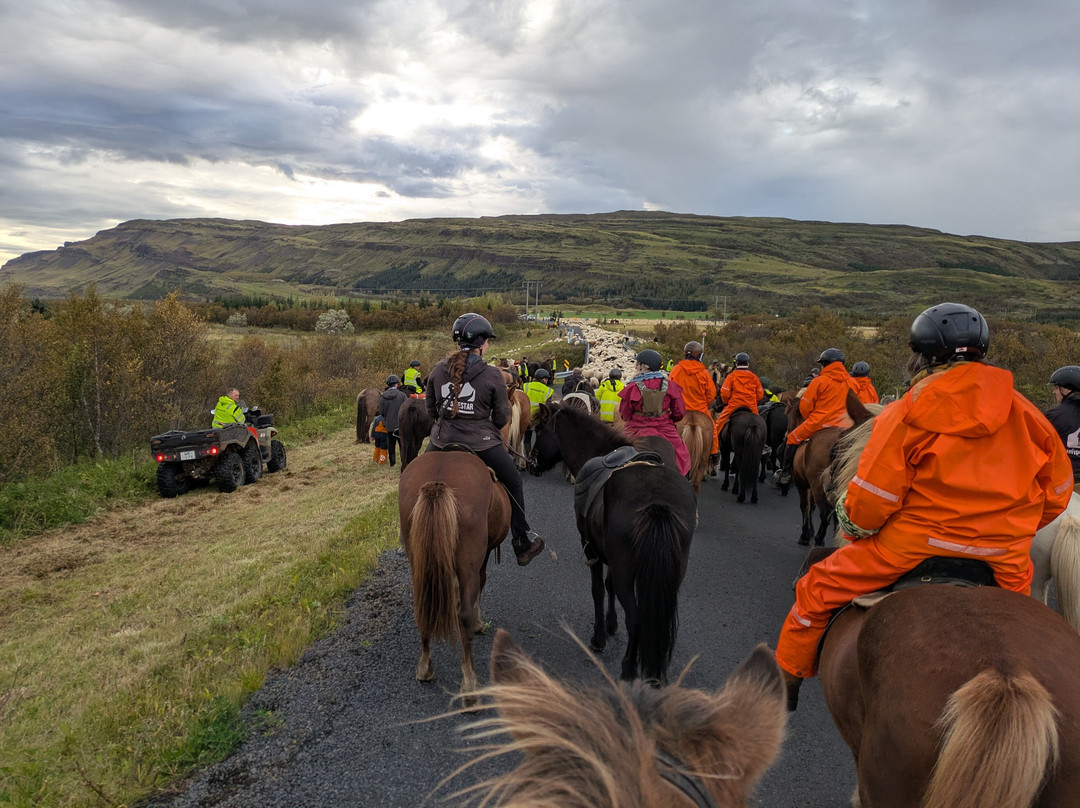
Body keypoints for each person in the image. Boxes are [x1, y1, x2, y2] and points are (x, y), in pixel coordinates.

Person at [776, 302, 1073, 710]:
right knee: (1026, 622)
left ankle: (787, 680)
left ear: (923, 355)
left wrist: (853, 522)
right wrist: (1008, 528)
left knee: (816, 588)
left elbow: (872, 502)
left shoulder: (906, 412)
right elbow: (1058, 492)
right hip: (1004, 557)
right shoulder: (1029, 415)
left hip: (911, 547)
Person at [425, 313, 545, 566]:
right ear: (481, 344)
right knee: (513, 480)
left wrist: (449, 423)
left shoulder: (438, 369)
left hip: (441, 440)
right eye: (488, 341)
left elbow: (432, 410)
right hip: (481, 443)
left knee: (416, 480)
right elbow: (501, 418)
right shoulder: (492, 375)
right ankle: (521, 542)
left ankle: (407, 534)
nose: (488, 345)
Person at [775, 348, 853, 486]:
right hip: (846, 425)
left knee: (792, 438)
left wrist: (810, 418)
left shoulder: (818, 381)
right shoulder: (852, 382)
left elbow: (805, 407)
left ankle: (785, 473)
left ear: (824, 364)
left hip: (819, 423)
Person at [618, 349, 691, 476]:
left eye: (638, 364)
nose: (635, 366)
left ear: (644, 366)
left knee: (617, 454)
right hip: (664, 428)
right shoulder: (670, 386)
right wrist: (667, 419)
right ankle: (684, 478)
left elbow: (625, 414)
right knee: (681, 455)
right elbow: (679, 413)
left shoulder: (632, 387)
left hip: (636, 429)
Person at [713, 352, 765, 453]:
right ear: (748, 363)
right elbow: (760, 395)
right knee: (759, 424)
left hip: (733, 406)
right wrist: (753, 401)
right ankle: (763, 446)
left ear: (736, 363)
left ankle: (714, 445)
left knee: (718, 424)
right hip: (751, 407)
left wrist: (726, 401)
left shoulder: (731, 376)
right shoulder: (754, 377)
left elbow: (724, 393)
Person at [670, 340, 719, 446]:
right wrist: (705, 405)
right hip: (701, 410)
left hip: (680, 411)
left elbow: (669, 391)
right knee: (713, 431)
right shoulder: (704, 373)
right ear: (699, 355)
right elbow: (711, 395)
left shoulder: (675, 370)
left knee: (666, 430)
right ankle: (714, 452)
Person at [1044, 365, 1080, 493]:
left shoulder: (1053, 416)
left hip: (1065, 485)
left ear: (1066, 389)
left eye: (1056, 387)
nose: (1054, 392)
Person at [378, 375, 409, 467]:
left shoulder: (383, 397)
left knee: (391, 444)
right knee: (402, 444)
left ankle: (392, 462)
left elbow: (381, 412)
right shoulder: (402, 395)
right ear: (396, 384)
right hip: (401, 424)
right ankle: (404, 461)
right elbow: (406, 409)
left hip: (389, 424)